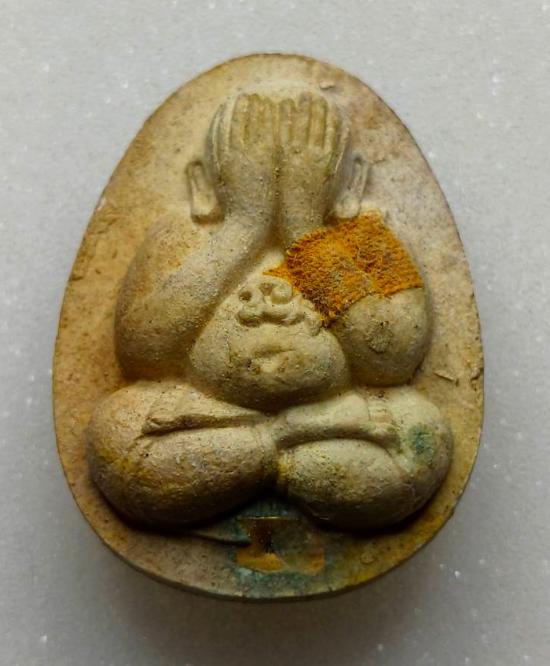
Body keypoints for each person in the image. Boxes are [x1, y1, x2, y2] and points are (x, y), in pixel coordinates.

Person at [87, 89, 451, 531]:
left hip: (336, 414)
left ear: (352, 183)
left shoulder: (370, 239)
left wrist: (304, 230)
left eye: (305, 171)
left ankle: (262, 455)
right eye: (254, 172)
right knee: (115, 430)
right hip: (212, 415)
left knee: (421, 432)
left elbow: (391, 360)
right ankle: (279, 445)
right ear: (204, 184)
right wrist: (244, 225)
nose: (279, 184)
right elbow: (143, 352)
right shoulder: (181, 235)